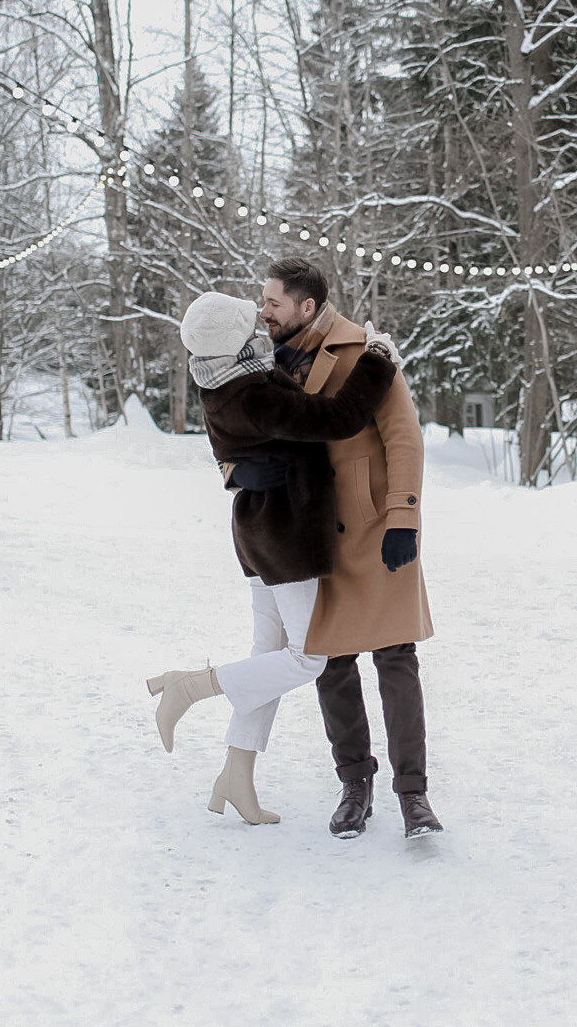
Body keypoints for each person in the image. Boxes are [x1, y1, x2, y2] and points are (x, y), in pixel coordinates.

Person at [146, 291, 397, 826]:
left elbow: (231, 449)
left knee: (268, 654)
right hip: (285, 537)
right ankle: (190, 686)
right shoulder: (251, 390)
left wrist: (232, 470)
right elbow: (339, 418)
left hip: (258, 533)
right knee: (309, 657)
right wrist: (376, 357)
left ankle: (236, 774)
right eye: (248, 316)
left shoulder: (220, 376)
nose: (259, 316)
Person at [261, 257, 443, 840]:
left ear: (306, 307)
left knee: (396, 659)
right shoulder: (266, 364)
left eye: (273, 303)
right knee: (333, 664)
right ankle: (354, 784)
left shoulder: (368, 352)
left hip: (373, 528)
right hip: (313, 532)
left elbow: (404, 437)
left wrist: (402, 519)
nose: (262, 311)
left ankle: (413, 795)